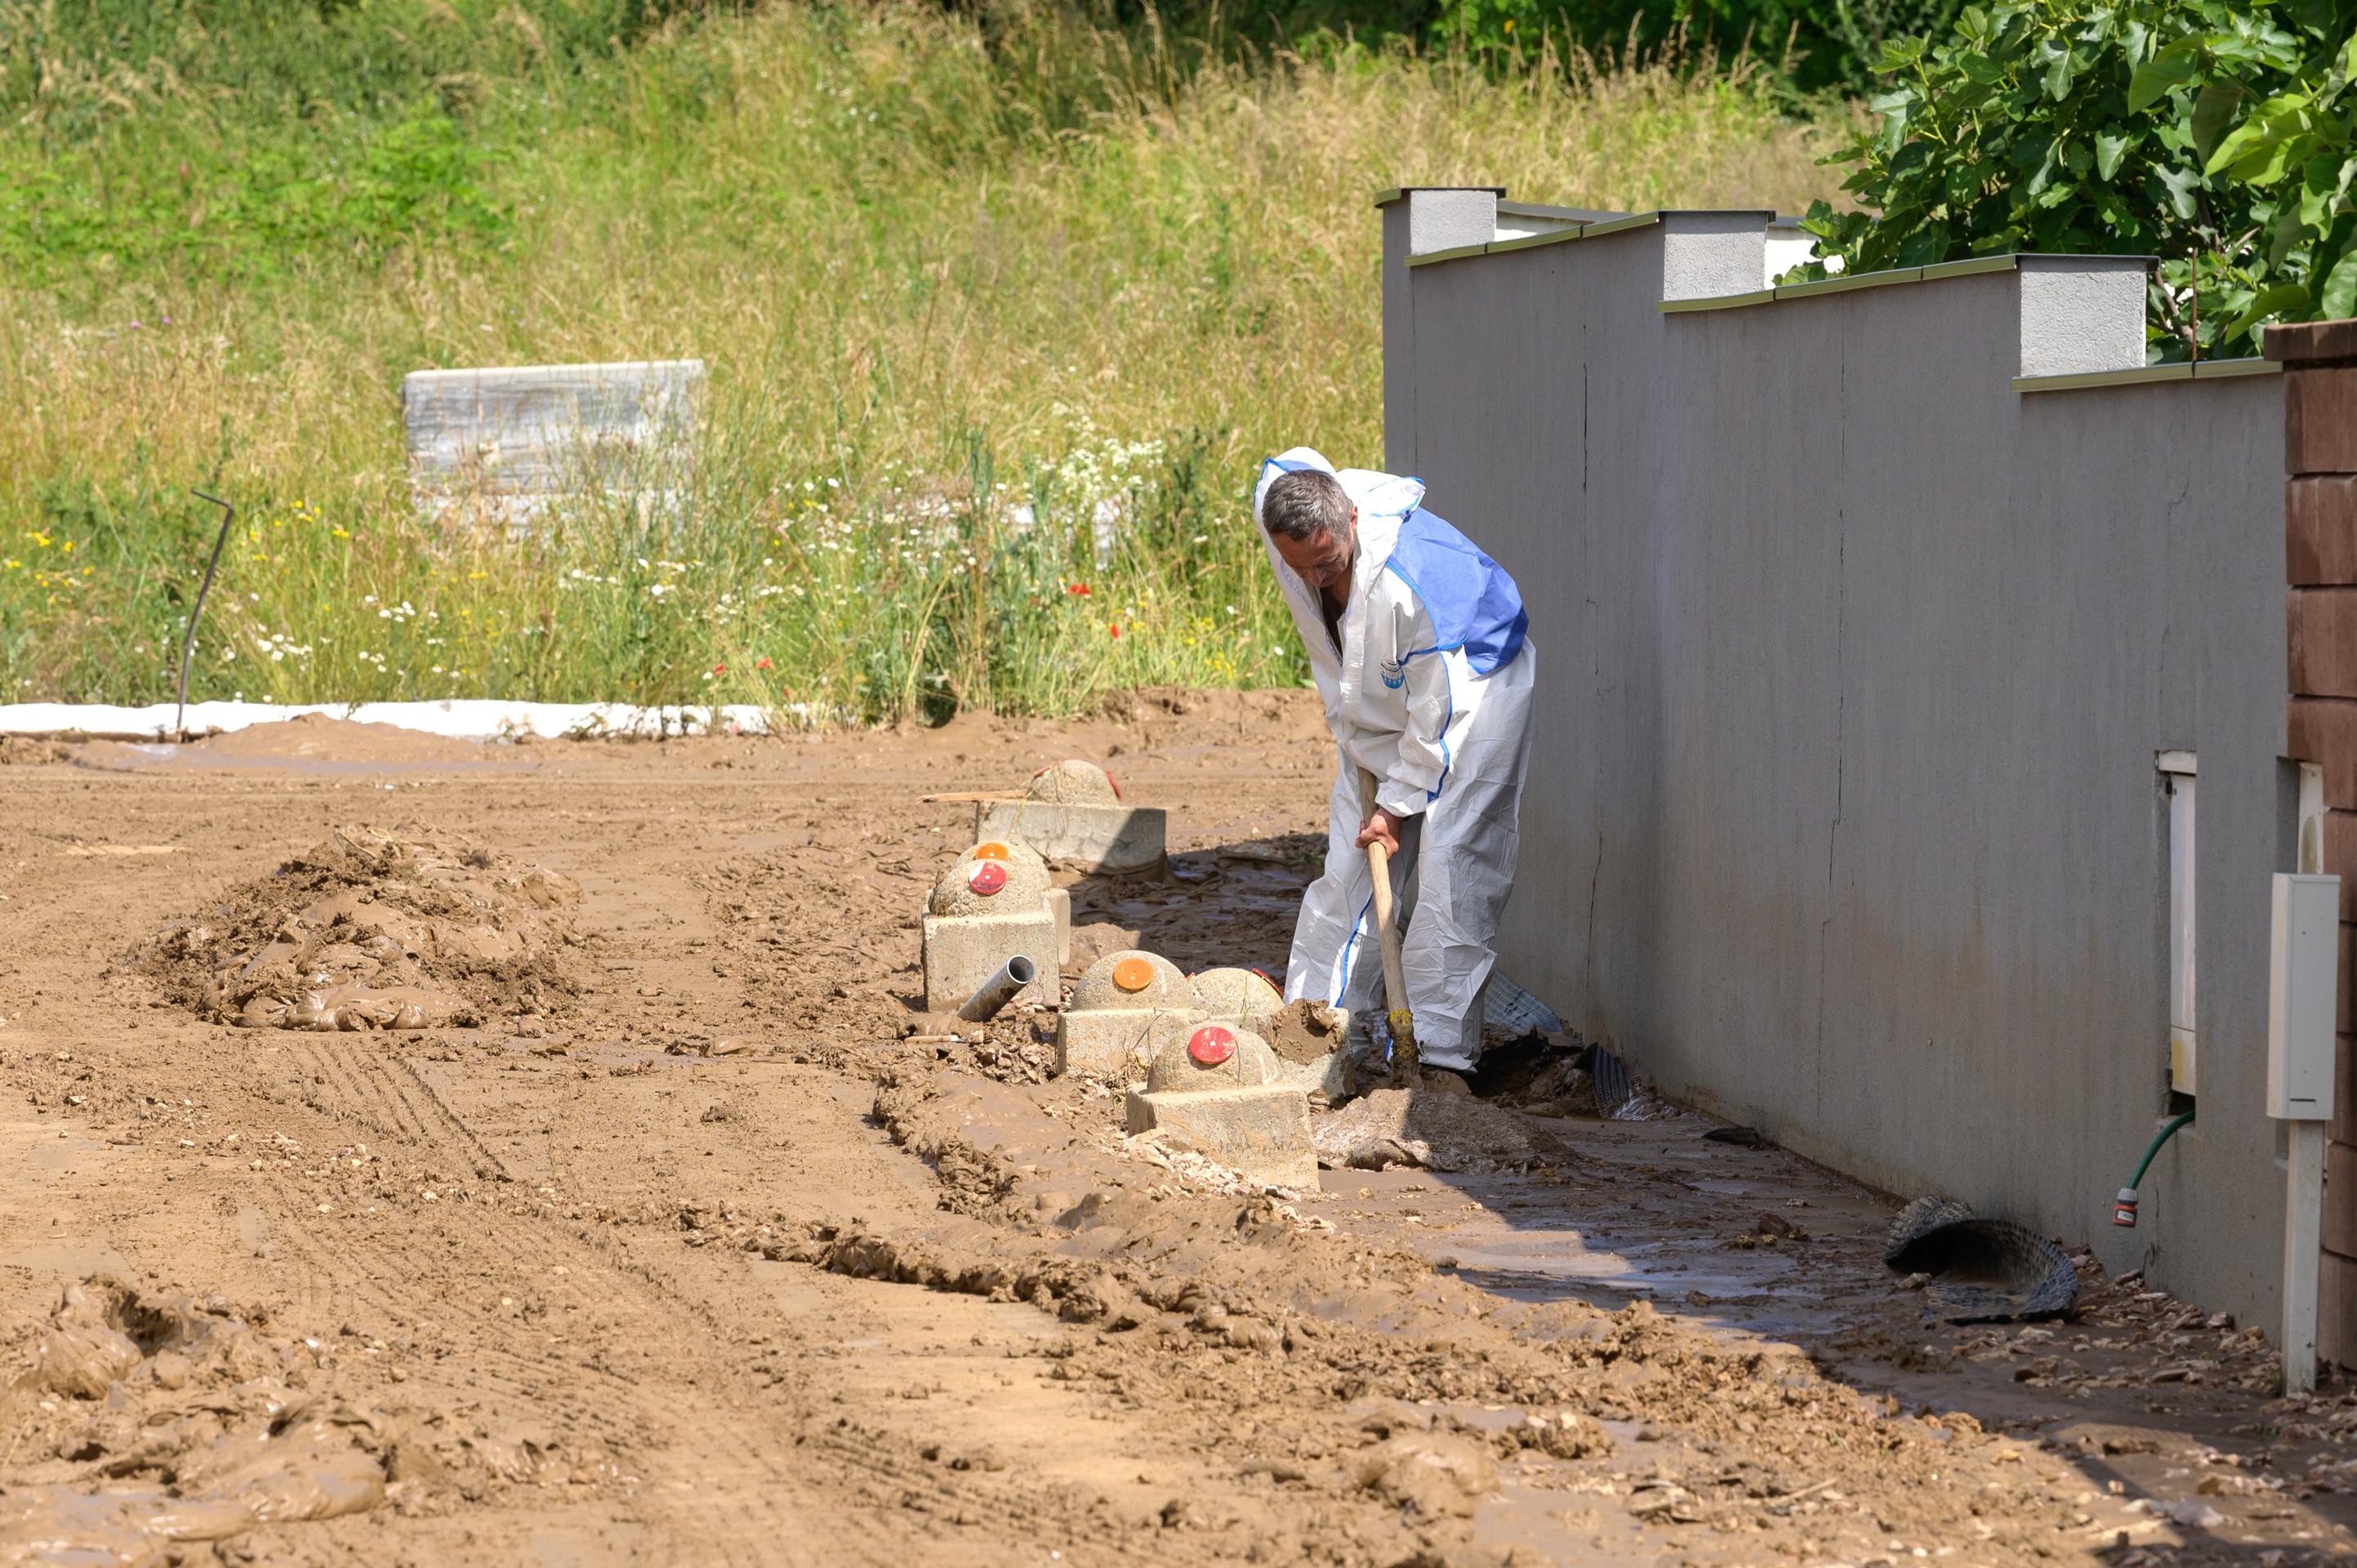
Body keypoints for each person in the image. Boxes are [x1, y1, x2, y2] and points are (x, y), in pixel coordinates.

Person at [1253, 448, 1536, 1079]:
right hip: (1379, 698)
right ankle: (1313, 1038)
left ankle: (1435, 1060)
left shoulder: (1418, 587)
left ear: (1352, 519)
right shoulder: (1288, 516)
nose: (1316, 580)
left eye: (1327, 563)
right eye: (1301, 568)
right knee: (1345, 870)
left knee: (1452, 870)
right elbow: (1282, 465)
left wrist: (1396, 807)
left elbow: (1438, 722)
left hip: (1471, 690)